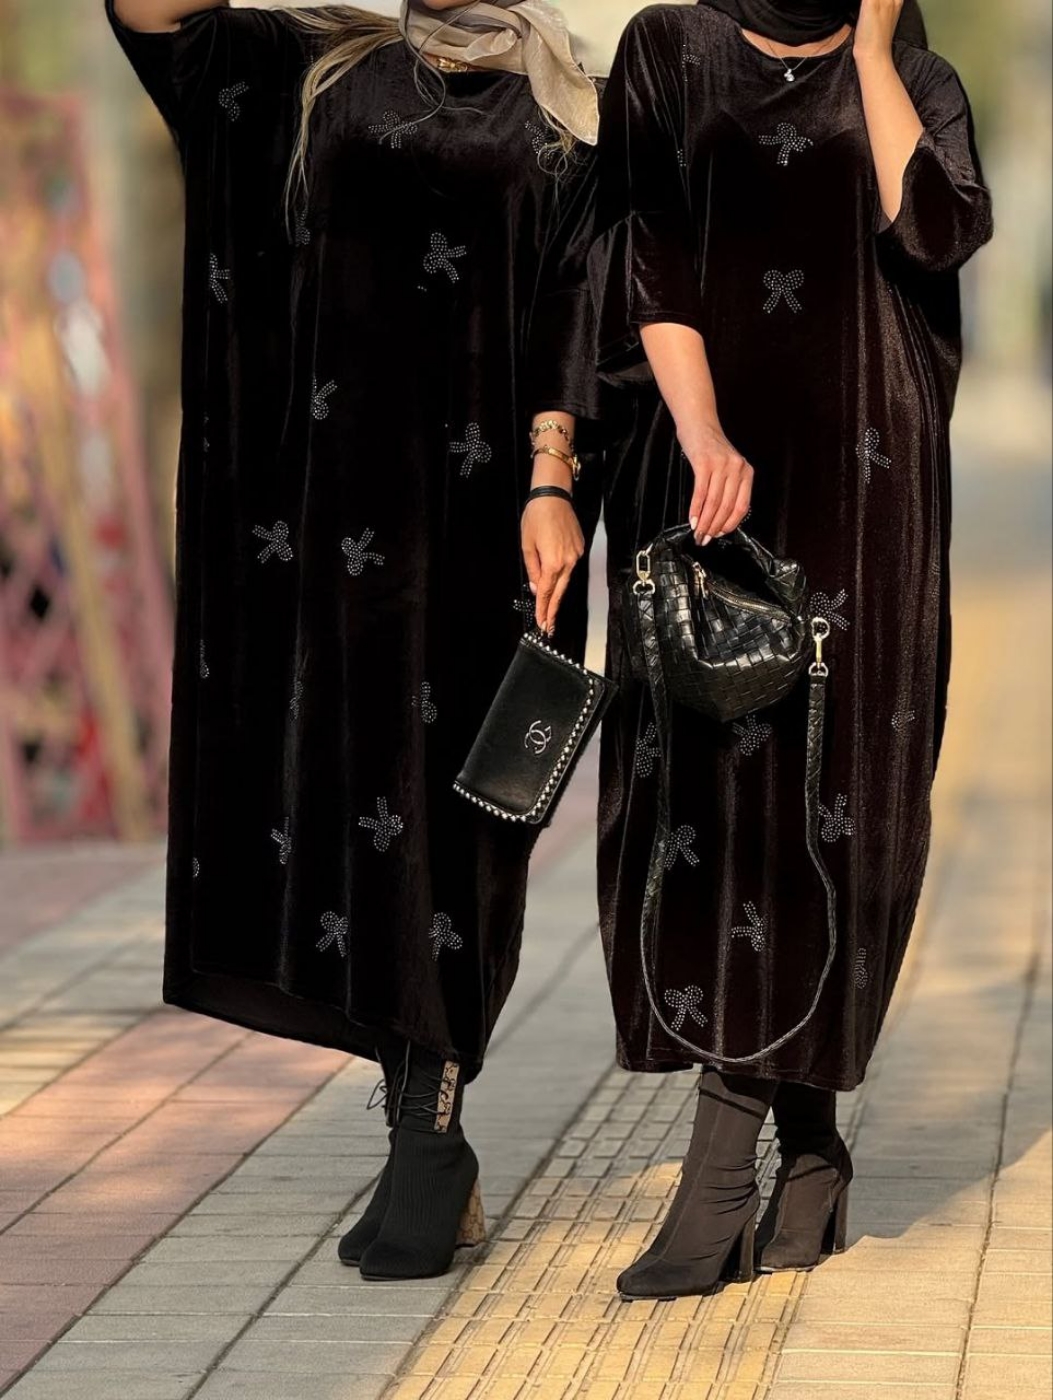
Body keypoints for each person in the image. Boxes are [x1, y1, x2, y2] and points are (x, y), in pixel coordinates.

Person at [106, 0, 604, 1281]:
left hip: (487, 531)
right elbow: (159, 25)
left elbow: (584, 302)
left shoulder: (570, 102)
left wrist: (554, 478)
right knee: (362, 816)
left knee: (457, 820)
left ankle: (429, 1135)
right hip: (330, 531)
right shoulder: (321, 69)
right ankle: (421, 1132)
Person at [592, 0, 992, 1300]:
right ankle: (807, 1154)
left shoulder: (917, 77)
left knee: (838, 813)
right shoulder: (668, 49)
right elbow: (645, 249)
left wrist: (871, 53)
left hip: (869, 497)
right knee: (714, 813)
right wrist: (701, 430)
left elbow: (937, 232)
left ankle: (722, 1181)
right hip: (714, 478)